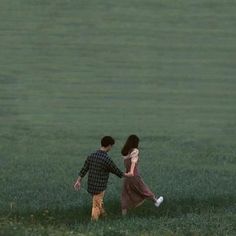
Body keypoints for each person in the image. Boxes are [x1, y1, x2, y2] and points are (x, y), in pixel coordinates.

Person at [74, 136, 130, 221]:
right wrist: (128, 175)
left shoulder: (92, 155)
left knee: (98, 201)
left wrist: (78, 181)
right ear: (109, 146)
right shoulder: (106, 159)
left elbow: (84, 169)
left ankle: (105, 217)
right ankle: (94, 224)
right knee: (96, 206)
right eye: (111, 146)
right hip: (100, 188)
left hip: (91, 186)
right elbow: (117, 171)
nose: (111, 148)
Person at [121, 134, 163, 215]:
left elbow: (127, 163)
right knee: (144, 190)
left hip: (126, 177)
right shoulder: (135, 151)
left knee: (125, 194)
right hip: (134, 175)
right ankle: (156, 201)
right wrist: (131, 172)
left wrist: (128, 174)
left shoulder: (125, 152)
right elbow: (133, 162)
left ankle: (124, 215)